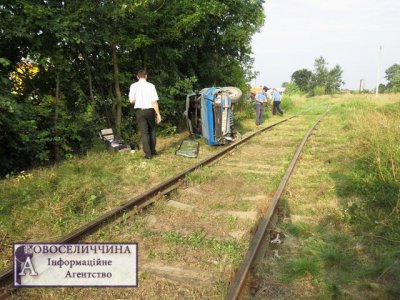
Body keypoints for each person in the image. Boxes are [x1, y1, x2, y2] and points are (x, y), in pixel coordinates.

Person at [129, 70, 161, 159]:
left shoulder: (133, 86)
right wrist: (158, 114)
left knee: (144, 133)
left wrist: (137, 99)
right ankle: (153, 151)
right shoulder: (151, 86)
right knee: (152, 130)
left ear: (137, 77)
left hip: (139, 111)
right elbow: (154, 101)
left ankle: (148, 154)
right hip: (150, 110)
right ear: (146, 76)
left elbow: (131, 101)